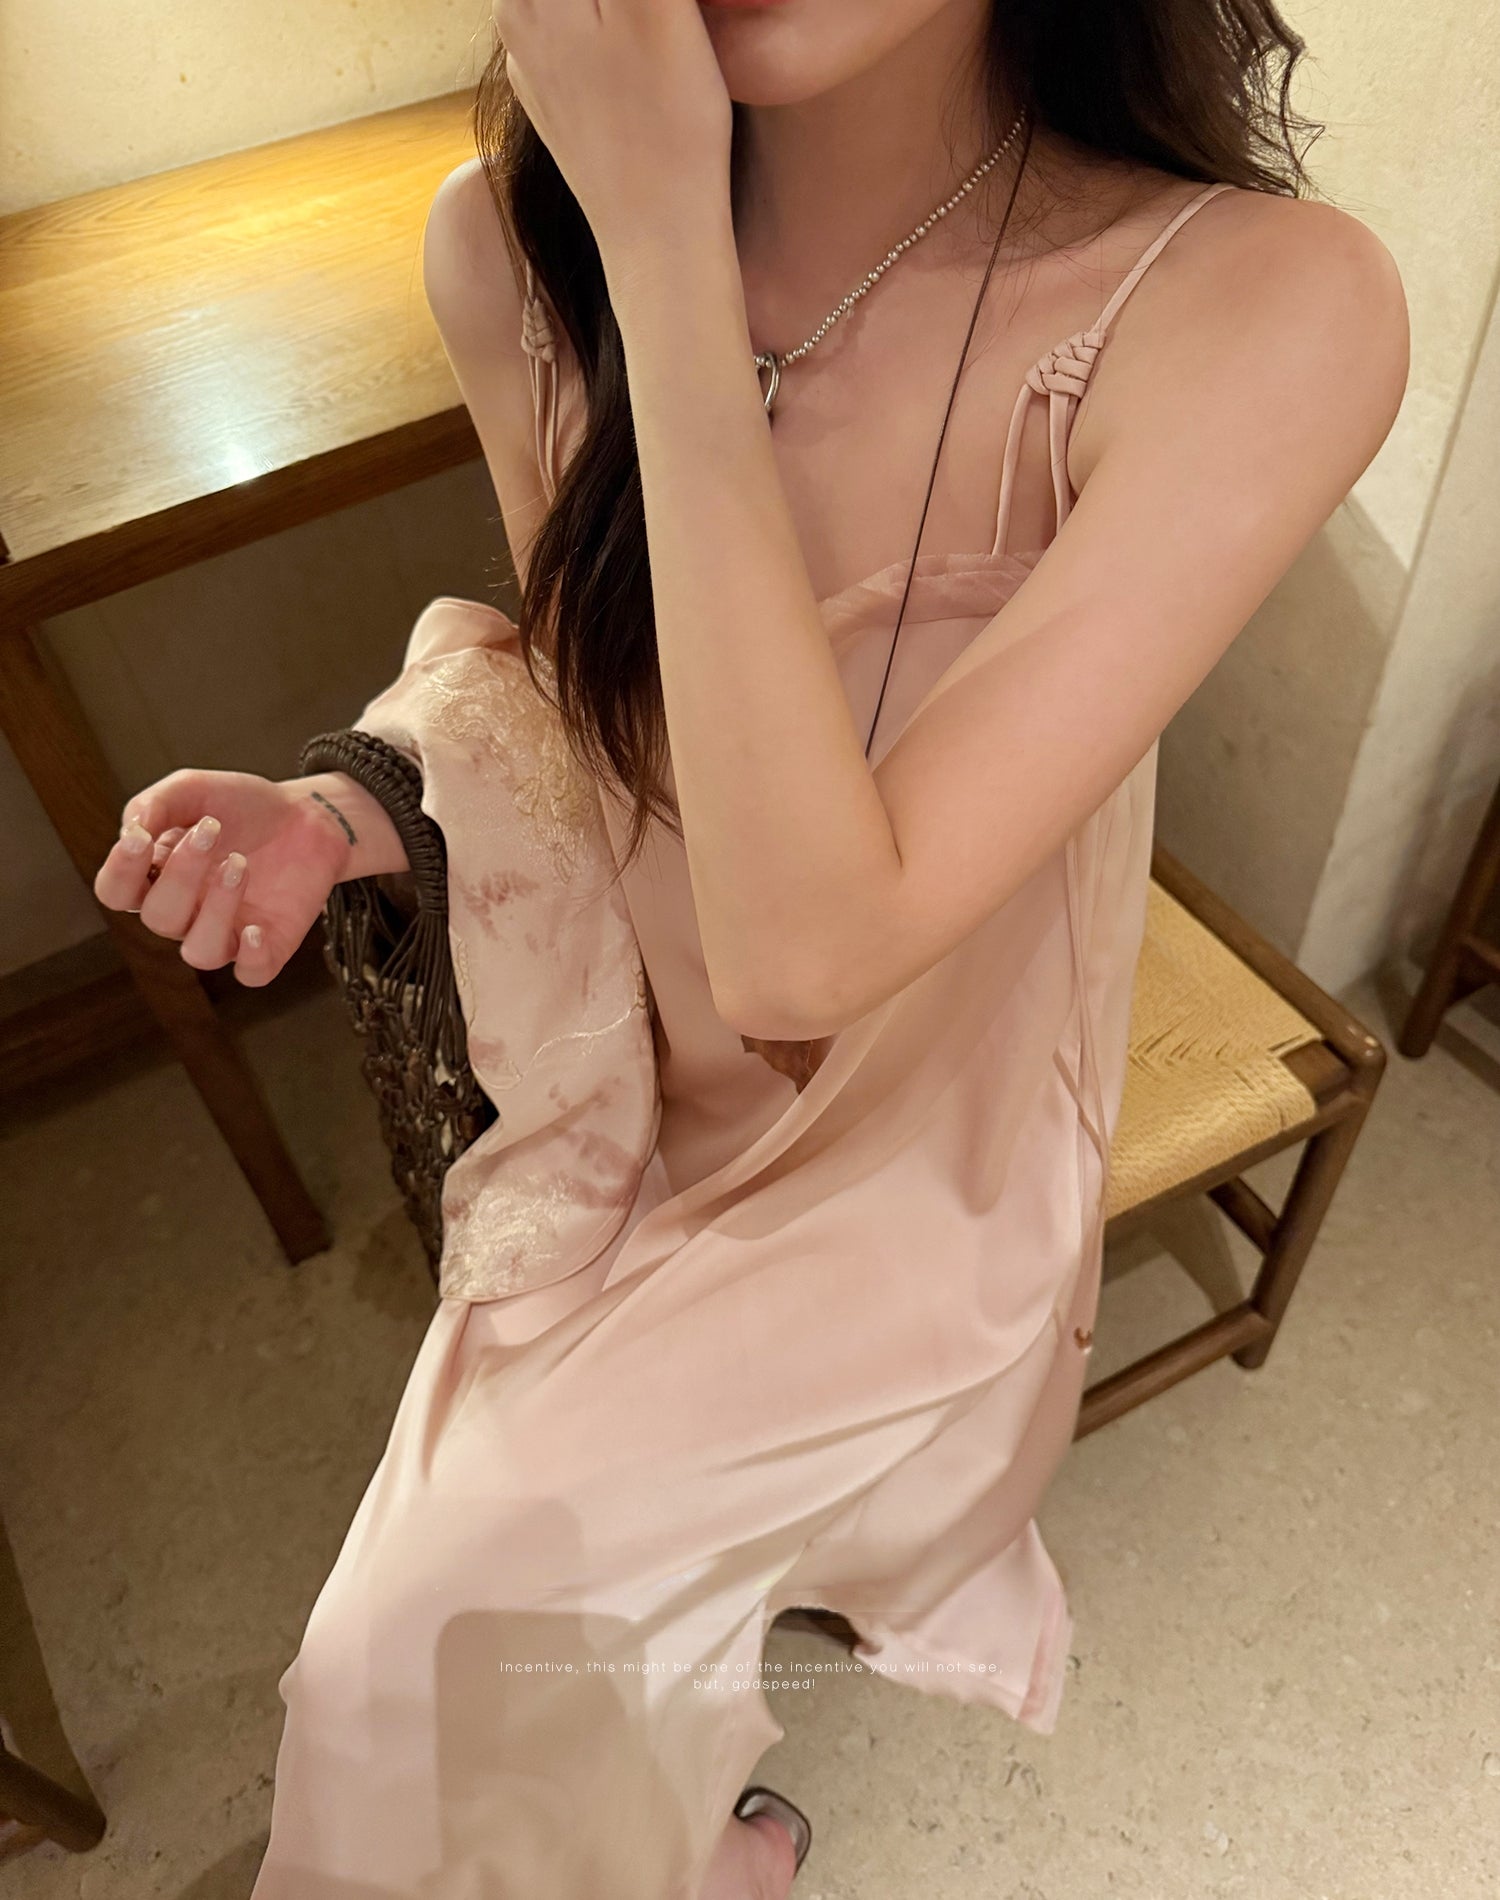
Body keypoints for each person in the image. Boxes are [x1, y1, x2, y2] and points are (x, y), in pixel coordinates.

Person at [94, 1, 1408, 1894]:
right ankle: (690, 1831)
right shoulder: (503, 251)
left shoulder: (1260, 304)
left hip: (924, 1149)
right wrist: (361, 802)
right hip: (627, 1047)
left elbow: (808, 956)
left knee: (407, 1677)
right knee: (462, 1663)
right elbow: (595, 703)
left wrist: (665, 253)